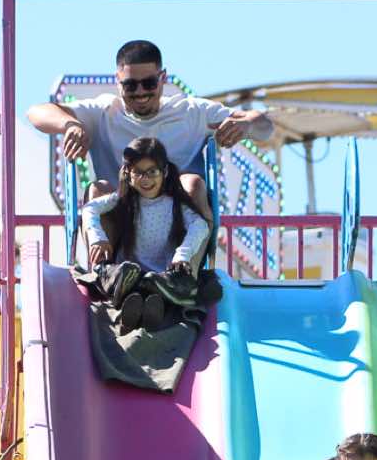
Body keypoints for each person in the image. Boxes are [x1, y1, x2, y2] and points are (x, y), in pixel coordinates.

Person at [25, 39, 270, 224]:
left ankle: (192, 270)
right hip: (122, 226)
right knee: (97, 190)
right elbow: (36, 112)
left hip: (177, 229)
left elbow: (265, 126)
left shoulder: (191, 112)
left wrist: (247, 124)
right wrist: (70, 124)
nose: (140, 92)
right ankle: (106, 270)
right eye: (130, 85)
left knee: (193, 184)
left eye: (149, 83)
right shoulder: (104, 112)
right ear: (118, 81)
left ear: (162, 78)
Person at [78, 138, 208, 329]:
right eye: (138, 172)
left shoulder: (174, 204)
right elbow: (89, 209)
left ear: (164, 172)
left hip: (161, 278)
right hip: (128, 275)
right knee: (122, 276)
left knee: (159, 289)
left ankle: (153, 307)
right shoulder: (122, 200)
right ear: (127, 173)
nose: (145, 179)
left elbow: (200, 225)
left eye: (152, 172)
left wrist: (183, 255)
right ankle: (127, 299)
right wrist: (98, 238)